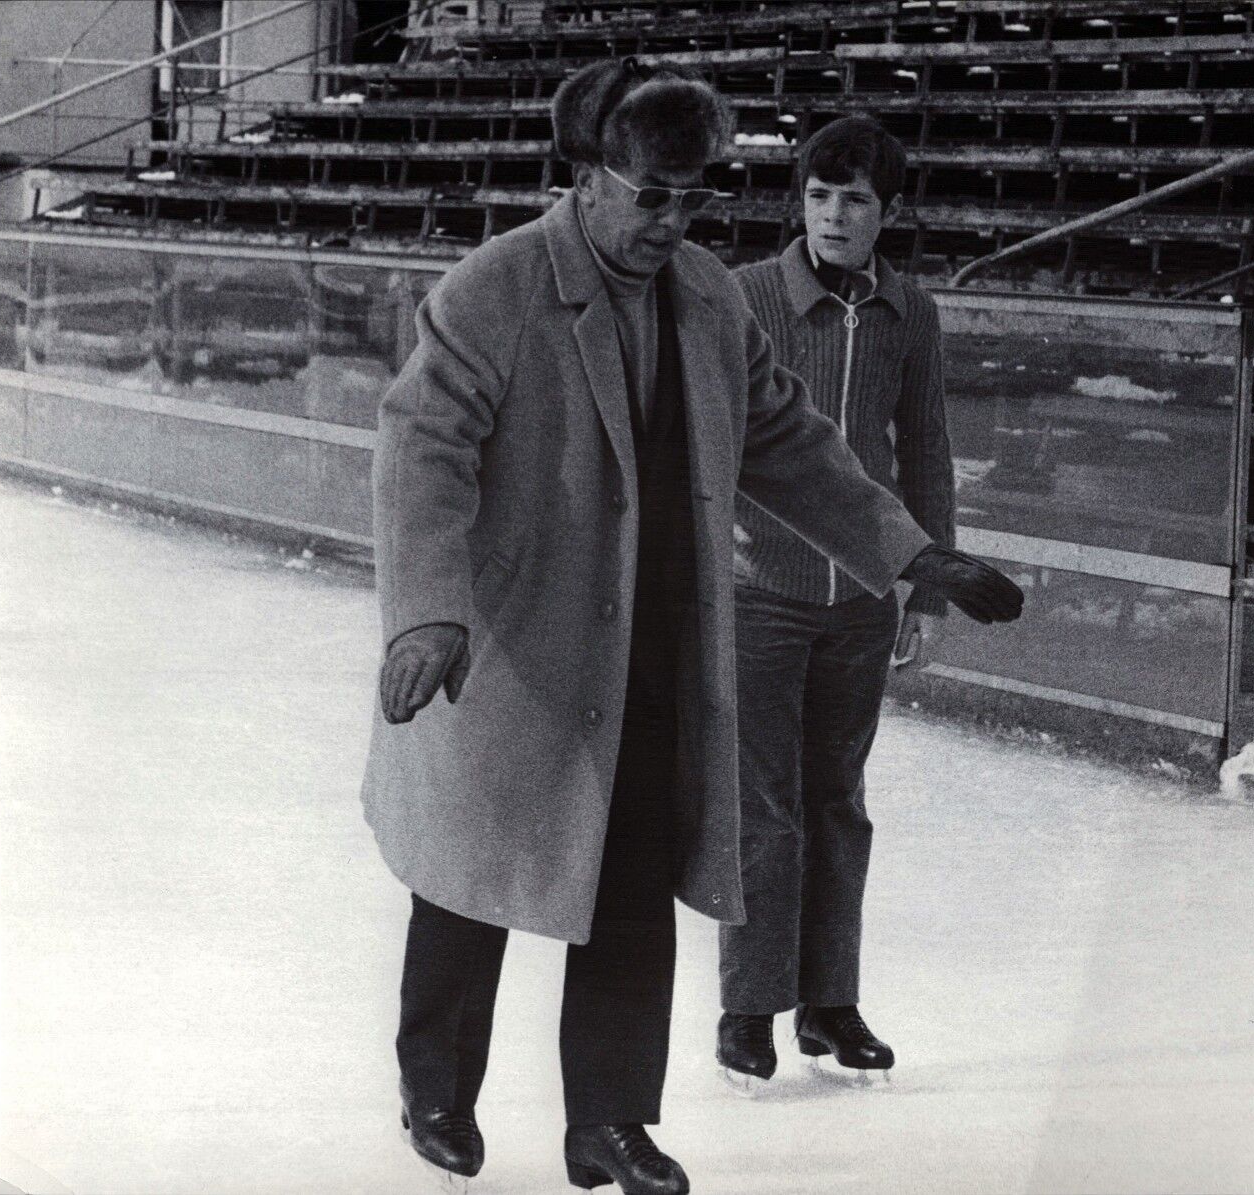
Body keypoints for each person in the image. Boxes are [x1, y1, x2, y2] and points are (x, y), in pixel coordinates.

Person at [361, 58, 1023, 1195]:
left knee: (629, 887)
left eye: (691, 196)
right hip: (512, 644)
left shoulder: (710, 298)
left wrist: (912, 551)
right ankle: (437, 1091)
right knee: (471, 879)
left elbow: (791, 442)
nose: (672, 219)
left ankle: (608, 1122)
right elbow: (421, 454)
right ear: (587, 178)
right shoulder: (496, 288)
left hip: (656, 646)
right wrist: (427, 612)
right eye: (649, 194)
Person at [716, 116, 956, 1088]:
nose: (833, 215)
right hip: (759, 592)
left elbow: (926, 450)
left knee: (837, 802)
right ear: (798, 203)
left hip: (861, 600)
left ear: (886, 214)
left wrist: (926, 587)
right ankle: (747, 1007)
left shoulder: (912, 314)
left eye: (854, 200)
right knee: (762, 807)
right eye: (818, 196)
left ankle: (830, 1004)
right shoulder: (746, 299)